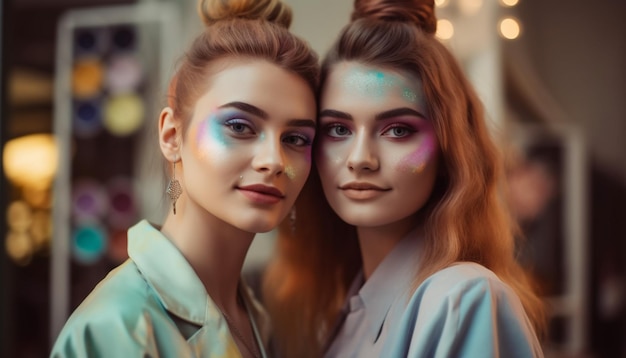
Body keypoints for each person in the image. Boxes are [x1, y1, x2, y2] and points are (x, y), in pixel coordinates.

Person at [263, 0, 545, 357]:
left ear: (448, 150)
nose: (360, 159)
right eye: (337, 129)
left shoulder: (461, 301)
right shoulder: (346, 309)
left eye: (397, 130)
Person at [51, 0, 319, 357]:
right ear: (172, 136)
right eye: (240, 126)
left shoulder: (254, 315)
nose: (274, 160)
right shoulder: (116, 327)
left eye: (296, 138)